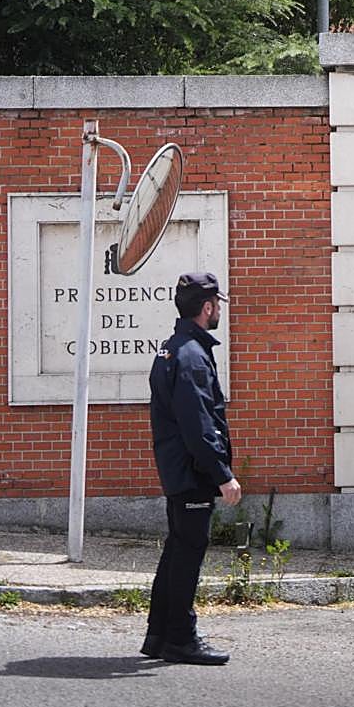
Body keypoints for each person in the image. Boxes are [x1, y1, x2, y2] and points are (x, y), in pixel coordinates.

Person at [142, 272, 241, 664]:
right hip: (192, 472)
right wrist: (222, 474)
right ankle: (181, 638)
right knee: (187, 553)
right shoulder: (192, 356)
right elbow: (199, 423)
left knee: (177, 550)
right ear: (207, 307)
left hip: (176, 469)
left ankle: (159, 635)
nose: (218, 310)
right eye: (216, 304)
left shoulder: (172, 349)